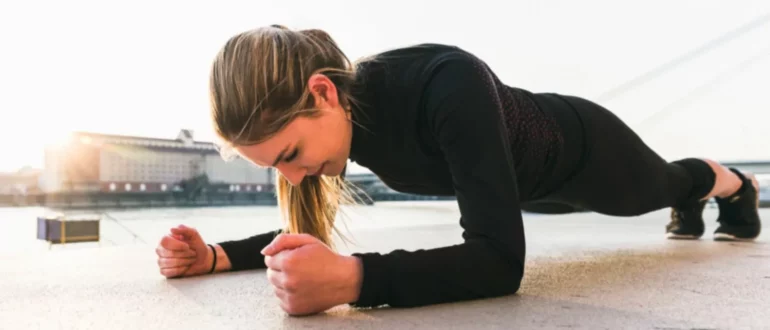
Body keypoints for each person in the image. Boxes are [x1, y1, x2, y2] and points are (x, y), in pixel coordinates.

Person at [155, 25, 762, 315]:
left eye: (288, 156)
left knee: (665, 186)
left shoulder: (444, 83)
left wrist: (352, 282)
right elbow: (311, 233)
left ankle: (737, 185)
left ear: (322, 93)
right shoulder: (338, 130)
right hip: (526, 189)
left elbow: (500, 262)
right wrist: (215, 256)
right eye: (274, 168)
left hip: (586, 154)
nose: (293, 177)